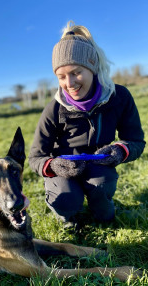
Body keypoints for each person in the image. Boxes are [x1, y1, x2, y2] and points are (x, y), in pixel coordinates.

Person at [29, 21, 145, 227]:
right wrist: (54, 165)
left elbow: (136, 140)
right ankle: (67, 218)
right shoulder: (54, 109)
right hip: (64, 170)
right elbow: (35, 157)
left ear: (93, 67)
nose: (69, 84)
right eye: (61, 77)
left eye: (76, 72)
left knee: (101, 188)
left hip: (99, 167)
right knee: (66, 198)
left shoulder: (119, 97)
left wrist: (120, 151)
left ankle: (103, 212)